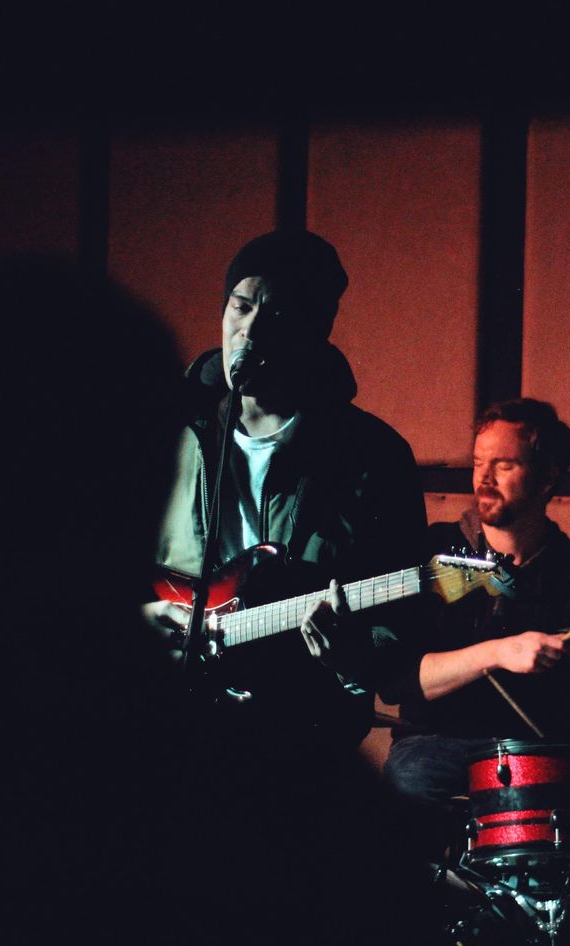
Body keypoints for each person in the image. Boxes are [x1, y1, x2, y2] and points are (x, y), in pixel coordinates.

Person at [145, 229, 427, 750]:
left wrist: (353, 658)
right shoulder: (163, 433)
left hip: (300, 736)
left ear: (313, 332)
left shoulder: (373, 455)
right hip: (170, 724)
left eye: (275, 315)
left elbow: (401, 625)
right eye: (240, 306)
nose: (249, 330)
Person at [380, 398, 570, 819]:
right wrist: (499, 652)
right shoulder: (434, 554)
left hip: (530, 748)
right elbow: (400, 682)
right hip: (434, 743)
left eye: (504, 465)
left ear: (547, 478)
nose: (484, 478)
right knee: (407, 786)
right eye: (478, 463)